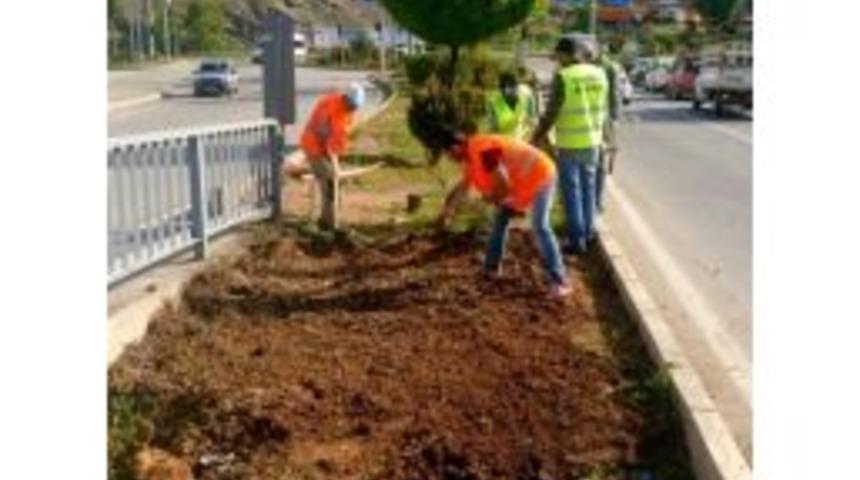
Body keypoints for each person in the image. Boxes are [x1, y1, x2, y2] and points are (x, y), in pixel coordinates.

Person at [435, 131, 572, 297]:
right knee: (500, 221)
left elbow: (504, 187)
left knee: (540, 226)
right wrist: (446, 210)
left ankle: (560, 281)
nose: (450, 159)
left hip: (541, 175)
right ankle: (491, 269)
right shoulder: (471, 157)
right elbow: (463, 188)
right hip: (521, 184)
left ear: (455, 148)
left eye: (449, 154)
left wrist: (491, 198)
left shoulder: (484, 150)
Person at [531, 36, 608, 255]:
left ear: (565, 55)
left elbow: (551, 113)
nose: (557, 61)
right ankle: (589, 232)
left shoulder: (564, 77)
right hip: (593, 140)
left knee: (571, 192)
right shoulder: (599, 73)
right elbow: (604, 107)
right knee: (589, 189)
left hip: (570, 143)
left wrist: (537, 136)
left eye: (558, 56)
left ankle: (577, 241)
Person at [299, 83, 365, 230]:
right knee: (330, 182)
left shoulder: (343, 107)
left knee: (334, 183)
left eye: (357, 106)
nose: (355, 109)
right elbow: (330, 141)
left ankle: (327, 220)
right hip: (314, 148)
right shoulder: (334, 109)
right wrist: (335, 167)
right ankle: (329, 224)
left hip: (323, 148)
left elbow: (339, 138)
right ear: (346, 99)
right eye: (353, 105)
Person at [596, 43, 624, 212]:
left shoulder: (607, 67)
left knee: (596, 164)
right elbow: (615, 95)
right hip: (603, 120)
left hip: (598, 120)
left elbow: (614, 95)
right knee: (601, 163)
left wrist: (614, 118)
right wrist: (614, 119)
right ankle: (597, 201)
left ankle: (596, 201)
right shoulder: (610, 67)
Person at [486, 71, 538, 140]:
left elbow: (532, 121)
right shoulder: (493, 102)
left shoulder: (526, 96)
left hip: (525, 144)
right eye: (504, 88)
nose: (508, 91)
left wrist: (531, 138)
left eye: (513, 86)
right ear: (501, 89)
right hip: (505, 144)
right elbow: (493, 129)